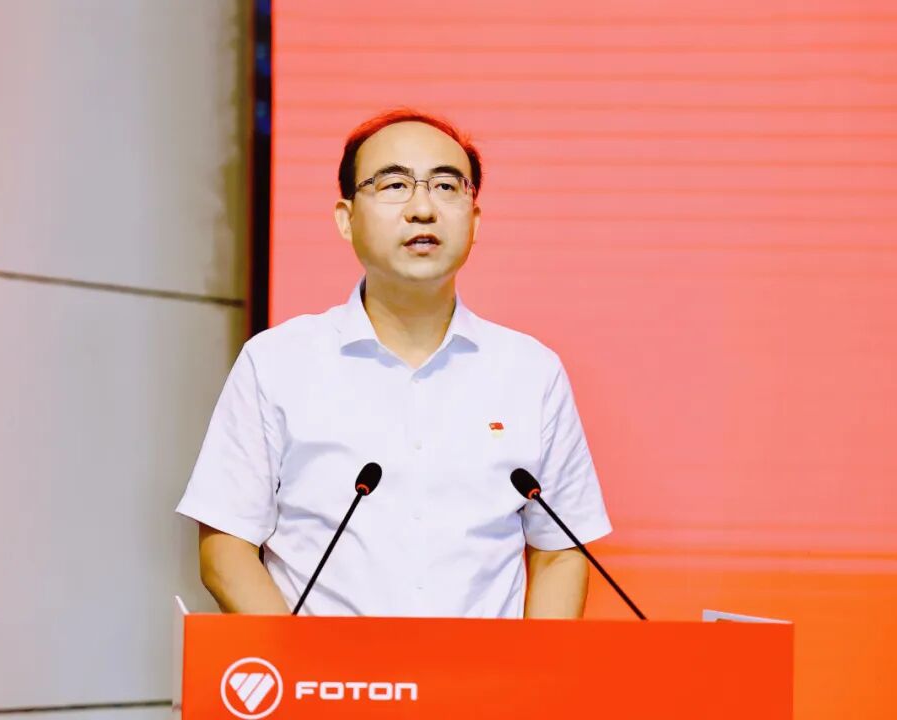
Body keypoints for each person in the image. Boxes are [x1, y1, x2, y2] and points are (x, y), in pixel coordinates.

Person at [176, 109, 611, 618]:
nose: (422, 209)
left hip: (484, 670)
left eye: (446, 186)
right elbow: (226, 548)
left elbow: (559, 552)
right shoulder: (276, 362)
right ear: (346, 218)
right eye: (395, 185)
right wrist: (295, 661)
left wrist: (533, 668)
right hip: (323, 667)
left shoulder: (531, 373)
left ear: (474, 221)